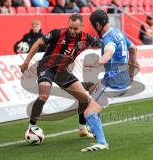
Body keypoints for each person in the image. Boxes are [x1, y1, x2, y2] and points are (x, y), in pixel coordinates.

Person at [19, 14, 104, 151]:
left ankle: (82, 128)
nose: (72, 30)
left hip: (62, 72)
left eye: (75, 28)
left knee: (84, 99)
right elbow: (38, 43)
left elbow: (102, 43)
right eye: (70, 27)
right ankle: (31, 126)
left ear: (81, 26)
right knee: (43, 96)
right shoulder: (57, 33)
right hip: (46, 68)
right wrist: (26, 62)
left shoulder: (86, 38)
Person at [79, 9, 138, 152]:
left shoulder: (108, 39)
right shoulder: (118, 32)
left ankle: (102, 142)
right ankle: (93, 130)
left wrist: (97, 63)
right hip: (116, 79)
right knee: (92, 97)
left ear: (98, 25)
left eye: (94, 26)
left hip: (114, 83)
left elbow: (109, 52)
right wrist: (131, 73)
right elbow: (133, 48)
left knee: (89, 113)